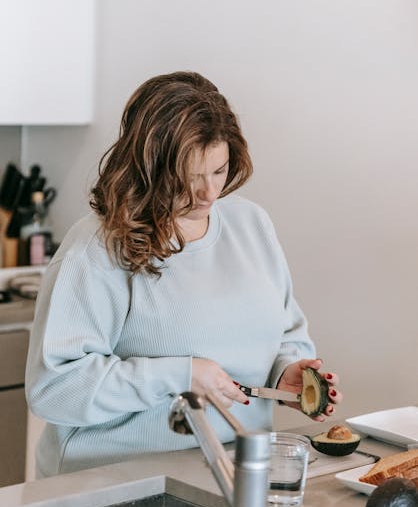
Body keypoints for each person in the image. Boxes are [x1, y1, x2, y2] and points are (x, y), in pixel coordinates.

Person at [25, 71, 342, 477]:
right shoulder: (96, 247)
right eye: (190, 179)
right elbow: (55, 389)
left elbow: (286, 332)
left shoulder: (251, 224)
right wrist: (179, 374)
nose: (209, 194)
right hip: (113, 481)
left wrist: (286, 373)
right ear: (149, 168)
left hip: (233, 471)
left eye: (219, 171)